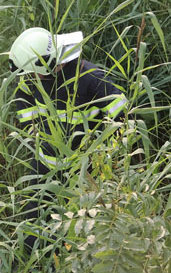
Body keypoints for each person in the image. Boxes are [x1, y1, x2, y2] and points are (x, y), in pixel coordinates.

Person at [8, 27, 128, 253]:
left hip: (86, 172)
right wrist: (36, 135)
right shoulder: (30, 78)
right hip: (44, 166)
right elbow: (24, 106)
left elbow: (123, 117)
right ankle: (35, 268)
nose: (29, 78)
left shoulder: (90, 77)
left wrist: (105, 153)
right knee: (35, 223)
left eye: (32, 73)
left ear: (45, 64)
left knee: (85, 227)